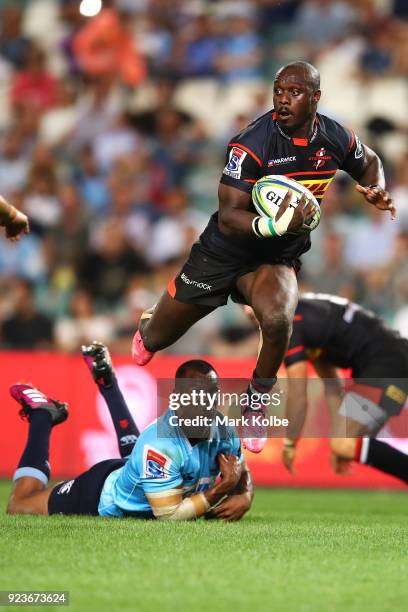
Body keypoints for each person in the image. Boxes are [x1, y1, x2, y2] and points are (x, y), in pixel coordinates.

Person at [132, 61, 395, 454]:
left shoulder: (335, 137)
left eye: (295, 92)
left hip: (275, 257)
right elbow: (229, 214)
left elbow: (370, 162)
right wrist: (275, 225)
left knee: (278, 318)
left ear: (316, 99)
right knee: (153, 341)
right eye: (279, 91)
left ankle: (256, 401)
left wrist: (373, 187)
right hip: (224, 251)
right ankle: (154, 317)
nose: (283, 99)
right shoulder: (253, 141)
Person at [6, 343, 253, 522]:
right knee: (19, 504)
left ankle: (108, 383)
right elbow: (170, 515)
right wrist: (222, 488)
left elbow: (241, 467)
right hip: (98, 496)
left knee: (141, 457)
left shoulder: (223, 428)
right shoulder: (159, 444)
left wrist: (245, 494)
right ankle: (42, 415)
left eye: (210, 396)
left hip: (133, 468)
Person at [280, 293, 408, 485]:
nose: (248, 309)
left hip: (387, 363)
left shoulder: (289, 325)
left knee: (345, 443)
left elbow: (299, 393)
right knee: (343, 443)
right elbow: (332, 386)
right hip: (389, 358)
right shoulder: (310, 316)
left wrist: (290, 443)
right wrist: (338, 438)